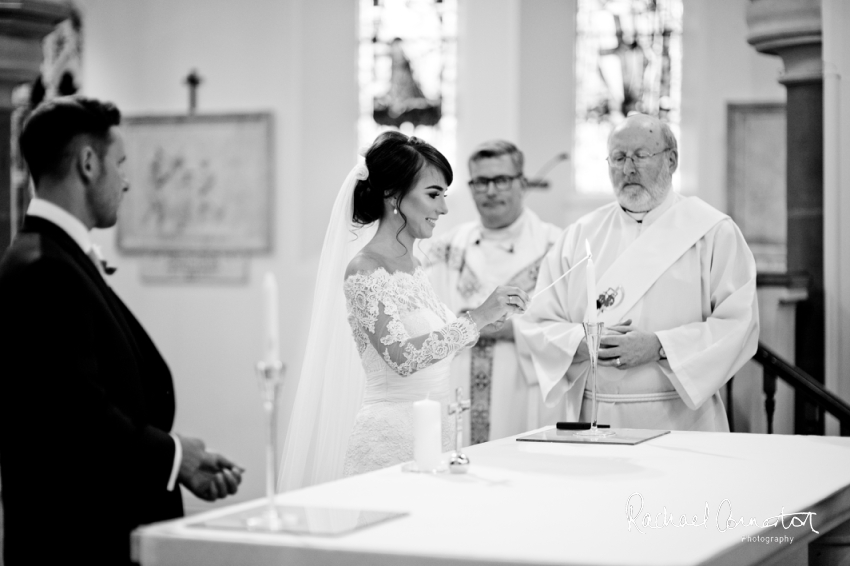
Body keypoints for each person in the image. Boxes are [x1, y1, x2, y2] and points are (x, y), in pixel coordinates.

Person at [0, 96, 243, 566]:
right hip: (78, 543)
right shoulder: (43, 270)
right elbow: (78, 419)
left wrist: (177, 468)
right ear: (88, 164)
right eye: (122, 163)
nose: (128, 181)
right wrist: (174, 455)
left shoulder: (54, 256)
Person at [279, 132, 528, 490]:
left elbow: (436, 348)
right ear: (394, 195)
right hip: (392, 437)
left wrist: (487, 321)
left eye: (444, 195)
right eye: (433, 194)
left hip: (437, 432)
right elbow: (402, 357)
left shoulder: (413, 264)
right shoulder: (364, 269)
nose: (443, 209)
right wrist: (477, 317)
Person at [515, 114, 759, 432]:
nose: (628, 169)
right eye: (618, 158)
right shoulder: (580, 235)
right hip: (594, 414)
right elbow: (538, 320)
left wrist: (659, 346)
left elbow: (739, 324)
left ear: (671, 160)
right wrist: (579, 342)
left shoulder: (713, 233)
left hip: (679, 417)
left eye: (641, 156)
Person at [423, 140, 565, 444]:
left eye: (501, 180)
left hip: (525, 392)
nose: (490, 191)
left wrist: (513, 331)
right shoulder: (445, 250)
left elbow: (572, 329)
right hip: (458, 388)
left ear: (522, 183)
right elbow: (423, 320)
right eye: (481, 182)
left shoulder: (556, 248)